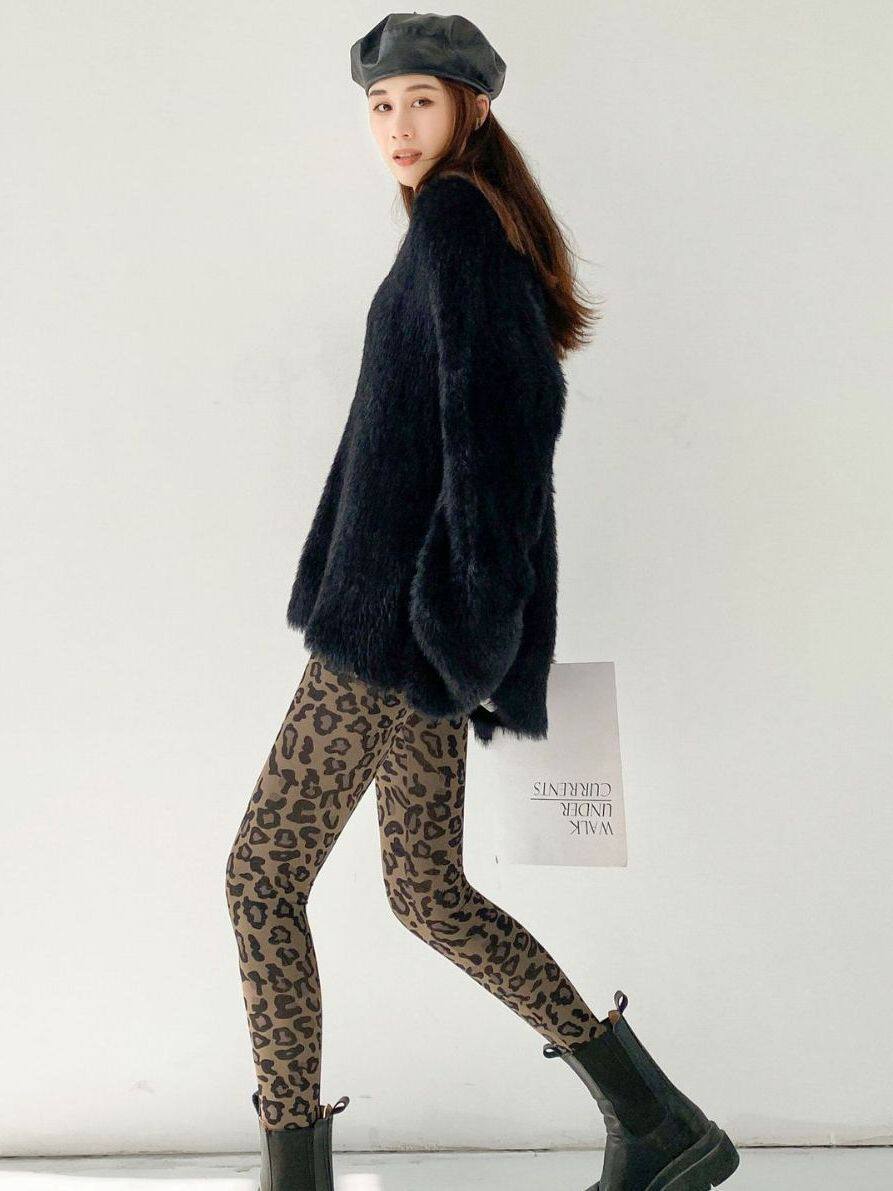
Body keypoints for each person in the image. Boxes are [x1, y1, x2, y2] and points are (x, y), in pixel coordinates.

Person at [225, 13, 740, 1191]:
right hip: (415, 626)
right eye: (378, 104)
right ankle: (655, 1122)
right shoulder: (456, 223)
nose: (396, 124)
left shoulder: (458, 222)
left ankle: (293, 1174)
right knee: (426, 891)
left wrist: (453, 628)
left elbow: (503, 439)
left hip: (390, 630)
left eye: (419, 98)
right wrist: (454, 636)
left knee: (260, 877)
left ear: (473, 106)